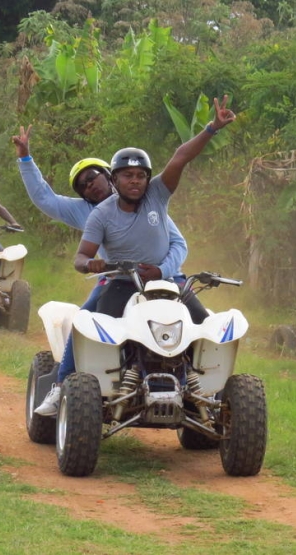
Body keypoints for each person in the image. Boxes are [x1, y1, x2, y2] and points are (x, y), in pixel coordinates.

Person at [11, 126, 188, 416]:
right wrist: (25, 159)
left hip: (166, 278)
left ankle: (210, 393)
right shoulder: (87, 212)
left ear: (110, 174)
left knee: (201, 326)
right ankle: (61, 386)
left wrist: (161, 270)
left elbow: (179, 243)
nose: (89, 186)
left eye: (92, 177)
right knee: (84, 323)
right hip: (117, 278)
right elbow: (44, 198)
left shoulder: (148, 201)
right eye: (82, 185)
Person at [75, 95, 236, 321]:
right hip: (121, 286)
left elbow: (180, 157)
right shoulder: (101, 214)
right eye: (128, 175)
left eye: (141, 176)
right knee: (101, 332)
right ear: (113, 180)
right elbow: (81, 257)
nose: (135, 181)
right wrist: (91, 264)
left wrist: (212, 128)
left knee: (204, 327)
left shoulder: (157, 194)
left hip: (166, 283)